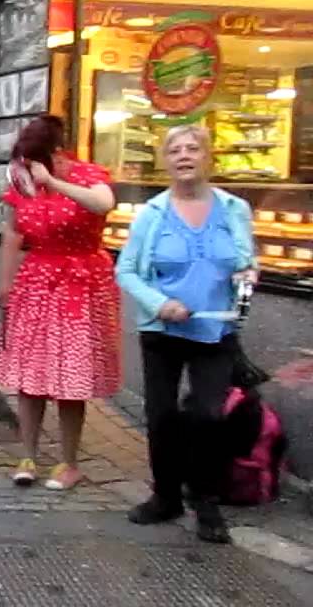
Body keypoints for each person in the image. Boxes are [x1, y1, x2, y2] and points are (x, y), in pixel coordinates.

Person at [117, 125, 256, 544]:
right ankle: (165, 496)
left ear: (207, 156)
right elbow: (125, 270)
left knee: (208, 415)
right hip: (163, 330)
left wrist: (247, 274)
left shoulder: (234, 209)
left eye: (192, 148)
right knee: (161, 414)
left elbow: (246, 261)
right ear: (165, 161)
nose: (184, 156)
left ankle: (206, 499)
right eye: (175, 150)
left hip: (215, 329)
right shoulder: (153, 215)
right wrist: (159, 304)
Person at [0, 115, 119, 492]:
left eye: (32, 159)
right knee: (30, 376)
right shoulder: (23, 182)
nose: (26, 168)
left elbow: (103, 203)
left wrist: (55, 183)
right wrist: (4, 282)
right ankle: (27, 455)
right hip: (37, 280)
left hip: (81, 284)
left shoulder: (85, 174)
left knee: (70, 377)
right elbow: (14, 231)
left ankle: (69, 462)